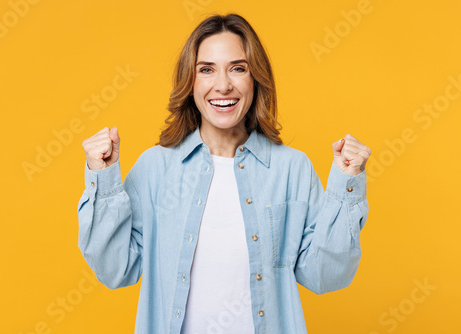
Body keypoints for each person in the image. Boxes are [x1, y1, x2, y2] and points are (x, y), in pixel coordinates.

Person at [77, 13, 371, 334]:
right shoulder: (155, 168)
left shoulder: (292, 169)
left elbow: (325, 275)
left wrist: (346, 185)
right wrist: (102, 176)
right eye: (207, 70)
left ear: (255, 79)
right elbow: (116, 268)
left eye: (238, 68)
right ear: (191, 83)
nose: (222, 85)